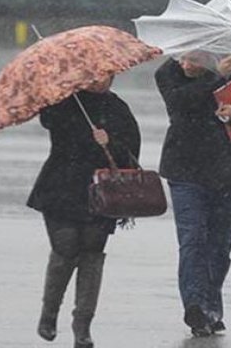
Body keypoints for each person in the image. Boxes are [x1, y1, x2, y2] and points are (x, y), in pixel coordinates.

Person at [154, 54, 231, 337]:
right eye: (183, 56)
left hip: (227, 170)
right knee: (192, 238)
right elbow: (181, 103)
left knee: (219, 244)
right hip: (185, 170)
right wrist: (216, 77)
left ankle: (211, 307)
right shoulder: (167, 72)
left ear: (208, 53)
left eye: (193, 58)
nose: (185, 62)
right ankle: (195, 307)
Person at [27, 77, 141, 348]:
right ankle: (50, 311)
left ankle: (83, 324)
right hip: (60, 186)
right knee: (65, 247)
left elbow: (131, 154)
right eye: (96, 75)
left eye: (108, 75)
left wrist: (109, 141)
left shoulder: (117, 108)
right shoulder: (64, 101)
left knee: (92, 254)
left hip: (102, 192)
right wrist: (57, 91)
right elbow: (48, 120)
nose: (102, 80)